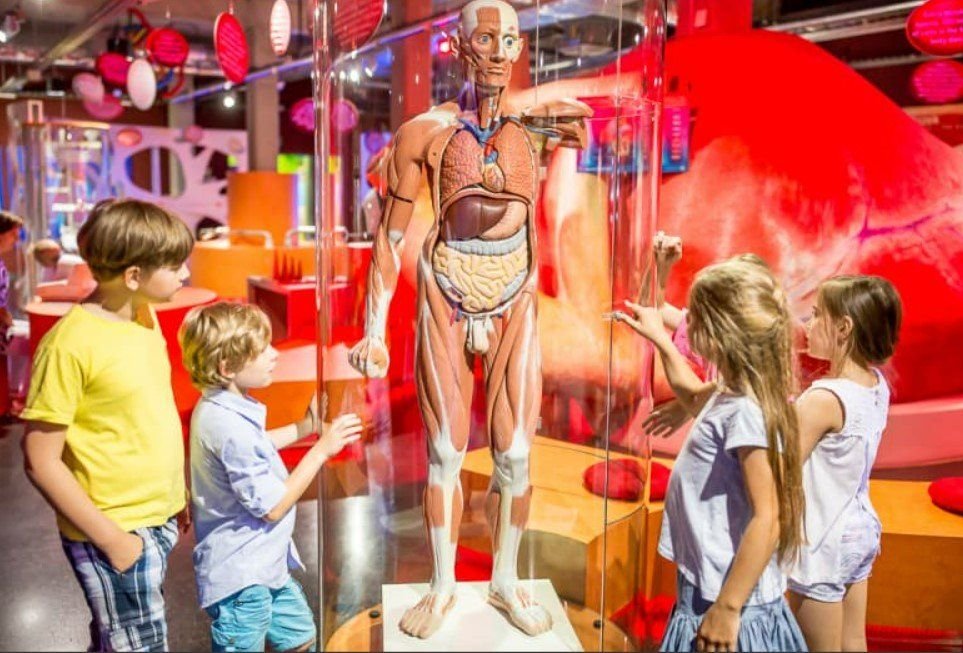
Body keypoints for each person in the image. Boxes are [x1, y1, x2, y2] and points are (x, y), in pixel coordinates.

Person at [347, 0, 590, 639]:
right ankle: (443, 585)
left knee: (516, 456)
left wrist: (558, 119)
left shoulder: (533, 126)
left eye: (510, 40)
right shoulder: (423, 134)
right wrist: (373, 330)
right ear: (459, 48)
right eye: (486, 40)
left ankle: (506, 579)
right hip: (448, 290)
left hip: (514, 292)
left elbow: (588, 126)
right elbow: (388, 238)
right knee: (445, 454)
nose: (500, 53)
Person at [20, 199, 193, 652]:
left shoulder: (144, 316)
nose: (185, 274)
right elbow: (40, 460)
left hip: (153, 517)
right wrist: (113, 541)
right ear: (133, 276)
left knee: (120, 639)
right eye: (175, 265)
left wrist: (174, 495)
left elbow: (146, 416)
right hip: (115, 528)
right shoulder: (69, 345)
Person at [615, 259, 808, 652]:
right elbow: (690, 394)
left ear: (720, 334)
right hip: (708, 585)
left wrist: (728, 608)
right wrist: (659, 338)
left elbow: (769, 516)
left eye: (696, 318)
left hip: (728, 601)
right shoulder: (731, 391)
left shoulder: (748, 411)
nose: (687, 325)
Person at [180, 301, 362, 653]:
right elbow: (273, 507)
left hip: (263, 567)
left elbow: (256, 445)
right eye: (261, 349)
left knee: (300, 639)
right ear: (227, 366)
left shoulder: (218, 407)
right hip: (242, 580)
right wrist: (321, 450)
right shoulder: (228, 425)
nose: (274, 354)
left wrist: (306, 427)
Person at [788, 275, 902, 652]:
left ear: (844, 327)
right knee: (854, 641)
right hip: (859, 529)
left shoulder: (824, 398)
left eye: (816, 314)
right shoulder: (876, 384)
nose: (807, 324)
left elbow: (782, 469)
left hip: (824, 538)